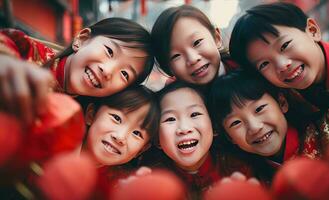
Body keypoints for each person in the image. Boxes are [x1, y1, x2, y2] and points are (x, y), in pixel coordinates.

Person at [0, 17, 154, 124]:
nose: (107, 71)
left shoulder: (85, 120)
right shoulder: (24, 49)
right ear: (82, 39)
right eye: (110, 51)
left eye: (125, 74)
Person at [208, 71, 329, 171]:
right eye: (235, 123)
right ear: (229, 136)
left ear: (282, 103)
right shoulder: (253, 182)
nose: (254, 127)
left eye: (259, 109)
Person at [229, 2, 329, 114]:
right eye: (264, 64)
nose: (282, 65)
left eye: (285, 46)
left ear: (312, 31)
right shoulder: (284, 101)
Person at [155, 81, 255, 198]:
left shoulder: (240, 169)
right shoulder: (149, 182)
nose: (184, 128)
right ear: (156, 139)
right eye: (170, 119)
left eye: (194, 114)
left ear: (214, 126)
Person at [151, 5, 239, 87]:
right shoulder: (173, 100)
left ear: (216, 38)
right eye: (175, 56)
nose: (193, 59)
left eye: (197, 42)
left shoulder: (246, 70)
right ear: (167, 68)